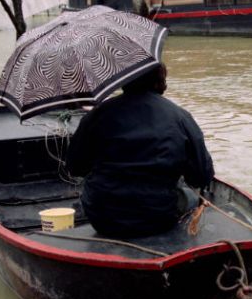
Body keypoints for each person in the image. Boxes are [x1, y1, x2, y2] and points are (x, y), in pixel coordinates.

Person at [65, 63, 214, 238]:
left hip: (103, 218)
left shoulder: (97, 115)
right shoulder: (180, 117)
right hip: (159, 218)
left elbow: (75, 167)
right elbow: (201, 176)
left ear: (123, 81)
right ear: (161, 81)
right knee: (189, 197)